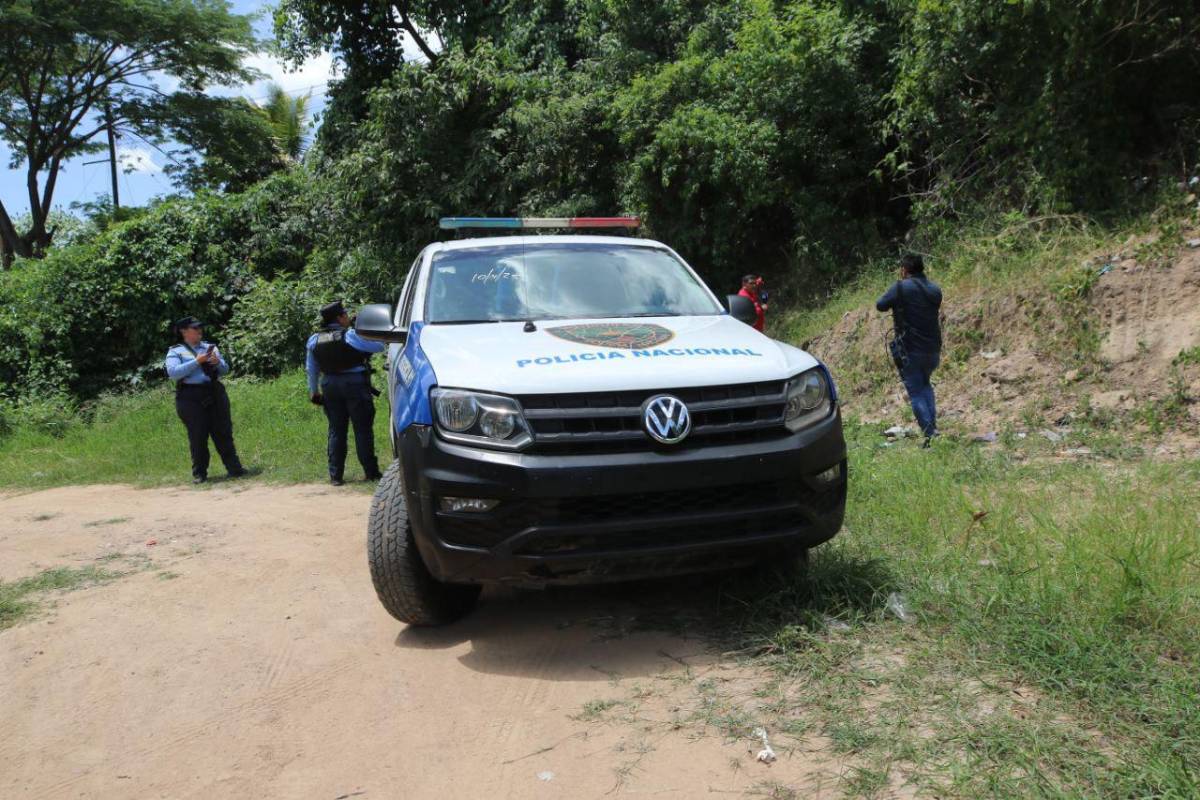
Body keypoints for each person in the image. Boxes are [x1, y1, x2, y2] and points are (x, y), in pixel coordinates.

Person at [306, 301, 386, 486]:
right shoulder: (349, 335)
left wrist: (313, 391)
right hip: (354, 385)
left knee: (336, 430)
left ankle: (335, 476)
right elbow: (379, 347)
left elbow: (311, 369)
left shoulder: (313, 340)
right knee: (362, 429)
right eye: (345, 315)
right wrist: (364, 331)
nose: (348, 318)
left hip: (329, 386)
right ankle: (371, 472)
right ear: (339, 317)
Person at [165, 317, 247, 484]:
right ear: (184, 331)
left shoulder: (210, 347)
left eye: (200, 327)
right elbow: (173, 373)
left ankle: (234, 469)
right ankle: (200, 474)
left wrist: (218, 363)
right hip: (190, 397)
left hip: (214, 392)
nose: (199, 331)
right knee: (198, 436)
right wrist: (197, 361)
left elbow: (225, 370)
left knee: (223, 432)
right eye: (195, 328)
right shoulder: (176, 351)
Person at [876, 253, 943, 445]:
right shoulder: (935, 290)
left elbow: (880, 305)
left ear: (904, 270)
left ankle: (930, 434)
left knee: (915, 391)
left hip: (910, 349)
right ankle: (934, 429)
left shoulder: (900, 288)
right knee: (926, 385)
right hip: (933, 348)